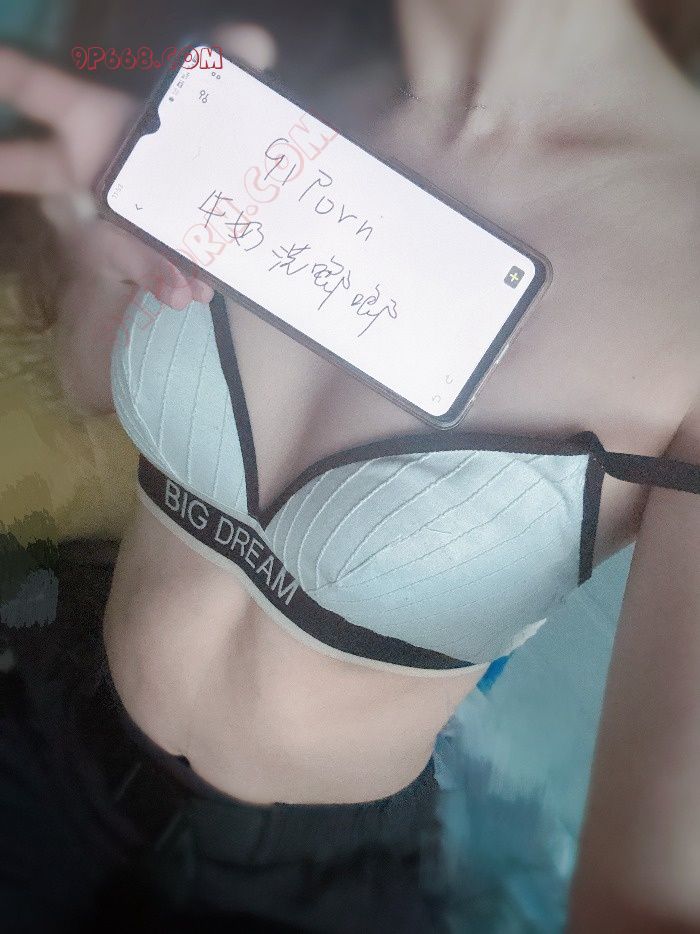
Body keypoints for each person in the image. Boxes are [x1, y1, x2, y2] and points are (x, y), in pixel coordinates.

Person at [0, 1, 699, 930]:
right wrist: (97, 247)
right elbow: (91, 380)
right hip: (57, 710)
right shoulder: (261, 80)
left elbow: (650, 902)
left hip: (301, 887)